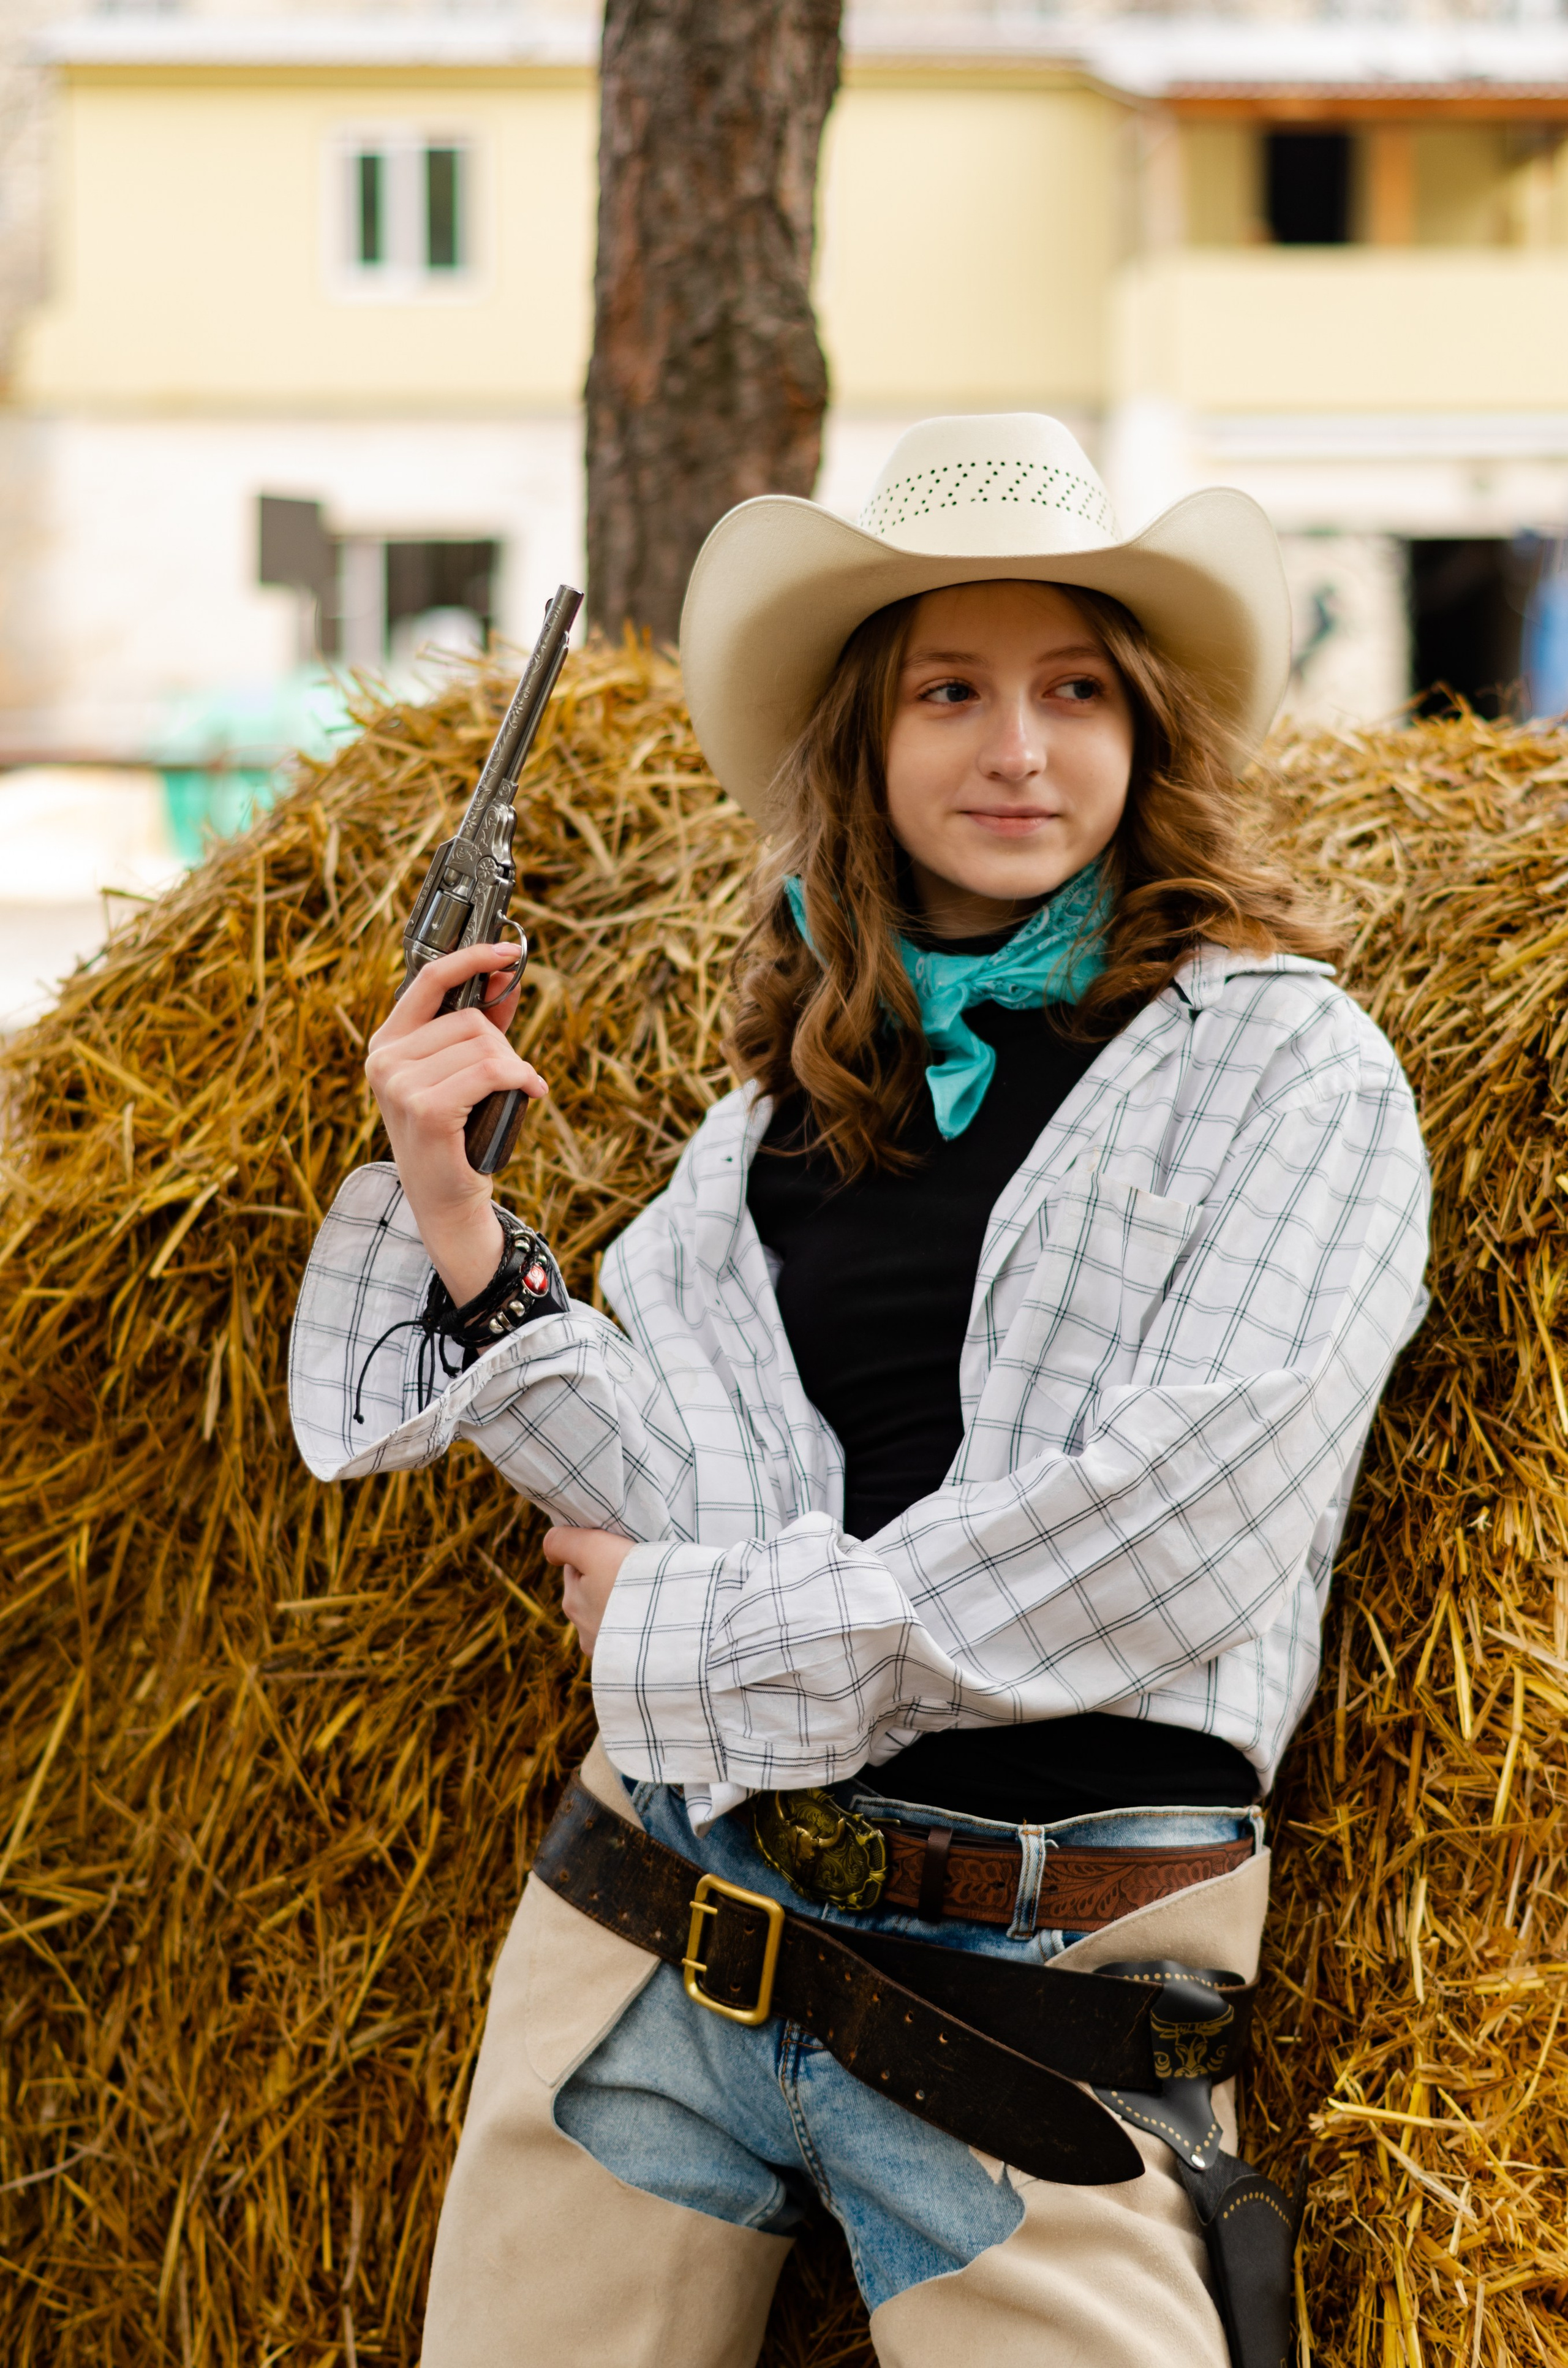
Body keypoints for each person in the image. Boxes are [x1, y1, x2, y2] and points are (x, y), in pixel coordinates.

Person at [289, 414, 1430, 2367]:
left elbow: (1158, 1548)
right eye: (953, 692)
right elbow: (663, 1484)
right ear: (864, 745)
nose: (1017, 748)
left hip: (1039, 1982)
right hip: (661, 1925)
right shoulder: (766, 1133)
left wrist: (686, 1622)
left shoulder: (1291, 1078)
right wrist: (457, 1210)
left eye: (1075, 690)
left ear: (1145, 732)